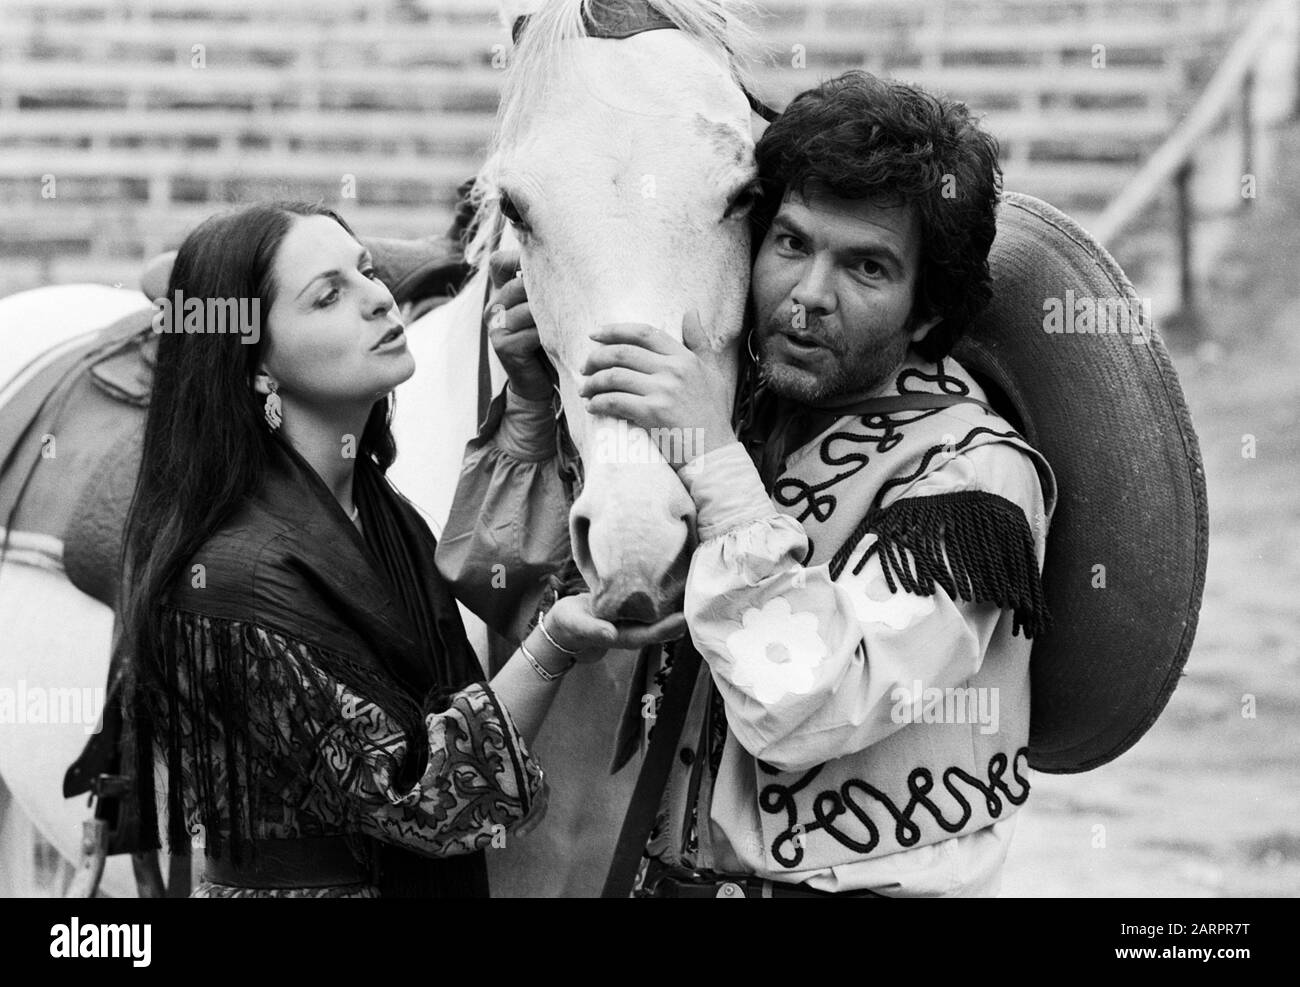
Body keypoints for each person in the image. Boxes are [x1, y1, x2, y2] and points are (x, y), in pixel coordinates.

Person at [438, 69, 1057, 898]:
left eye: (865, 268)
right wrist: (530, 402)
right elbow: (500, 586)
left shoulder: (973, 478)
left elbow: (804, 703)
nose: (808, 296)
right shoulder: (744, 413)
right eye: (792, 243)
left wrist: (713, 458)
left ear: (929, 312)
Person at [120, 201, 627, 898]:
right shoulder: (239, 577)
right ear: (256, 362)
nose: (379, 297)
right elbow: (424, 799)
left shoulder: (381, 514)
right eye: (329, 295)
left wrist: (533, 399)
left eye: (365, 270)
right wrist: (554, 643)